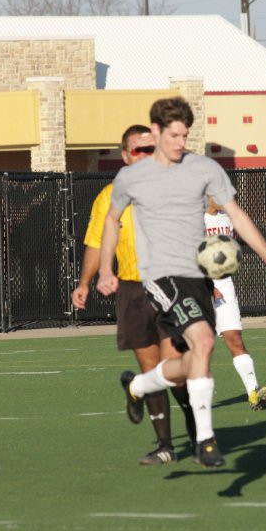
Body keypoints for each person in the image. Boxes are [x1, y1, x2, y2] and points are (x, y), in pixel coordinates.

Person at [96, 96, 266, 468]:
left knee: (191, 361)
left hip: (197, 276)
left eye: (185, 135)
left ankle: (137, 386)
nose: (180, 143)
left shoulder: (204, 169)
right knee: (204, 341)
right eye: (173, 136)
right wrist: (106, 268)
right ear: (155, 131)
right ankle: (205, 441)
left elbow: (238, 215)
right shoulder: (132, 176)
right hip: (161, 277)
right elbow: (111, 220)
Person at [72, 125, 196, 465]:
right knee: (149, 366)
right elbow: (96, 244)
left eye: (150, 149)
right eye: (138, 150)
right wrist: (85, 282)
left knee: (175, 368)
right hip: (132, 291)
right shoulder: (110, 196)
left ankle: (199, 433)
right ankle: (165, 446)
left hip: (170, 286)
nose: (144, 156)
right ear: (125, 156)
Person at [204, 196, 266, 410]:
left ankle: (253, 392)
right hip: (196, 285)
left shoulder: (229, 218)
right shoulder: (194, 219)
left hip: (224, 285)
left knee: (234, 339)